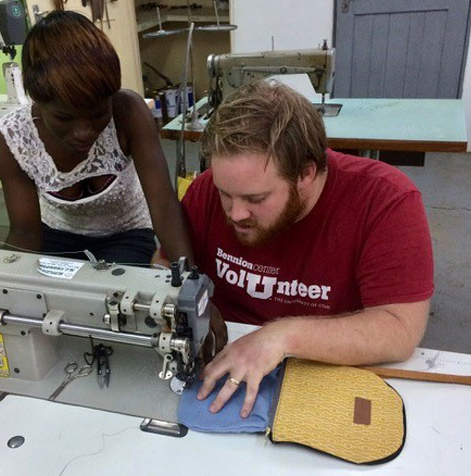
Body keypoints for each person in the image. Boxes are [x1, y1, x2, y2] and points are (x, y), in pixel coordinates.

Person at [157, 80, 434, 418]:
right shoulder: (207, 191)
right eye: (225, 193)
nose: (234, 212)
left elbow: (400, 330)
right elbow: (162, 266)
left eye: (255, 199)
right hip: (221, 361)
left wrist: (282, 336)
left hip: (324, 372)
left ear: (306, 173)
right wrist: (189, 305)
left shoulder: (384, 201)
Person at [0, 11, 193, 264]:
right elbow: (24, 232)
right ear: (35, 97)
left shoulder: (128, 112)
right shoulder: (12, 140)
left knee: (114, 298)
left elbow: (163, 206)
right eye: (65, 118)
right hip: (57, 235)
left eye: (98, 114)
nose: (84, 132)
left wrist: (191, 280)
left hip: (126, 233)